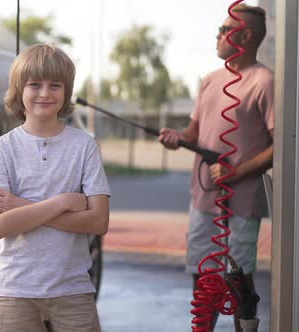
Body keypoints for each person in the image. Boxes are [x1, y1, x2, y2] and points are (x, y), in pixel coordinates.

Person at [158, 4, 273, 331]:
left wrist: (236, 173)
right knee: (202, 273)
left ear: (245, 35)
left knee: (240, 280)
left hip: (242, 203)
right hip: (203, 199)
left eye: (225, 29)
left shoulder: (264, 81)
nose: (218, 35)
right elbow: (194, 132)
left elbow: (282, 147)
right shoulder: (209, 80)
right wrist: (177, 137)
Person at [0, 43, 111, 332]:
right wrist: (64, 201)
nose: (44, 93)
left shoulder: (84, 147)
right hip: (15, 289)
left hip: (72, 287)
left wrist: (21, 205)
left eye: (55, 85)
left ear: (66, 92)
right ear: (19, 90)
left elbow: (99, 221)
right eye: (34, 84)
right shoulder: (2, 149)